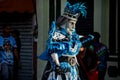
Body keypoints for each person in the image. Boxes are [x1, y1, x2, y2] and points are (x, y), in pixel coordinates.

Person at [38, 1, 87, 80]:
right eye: (71, 23)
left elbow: (75, 51)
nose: (74, 26)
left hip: (72, 68)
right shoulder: (57, 35)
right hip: (62, 67)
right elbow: (54, 51)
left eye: (75, 23)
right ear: (65, 23)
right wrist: (57, 65)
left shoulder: (73, 36)